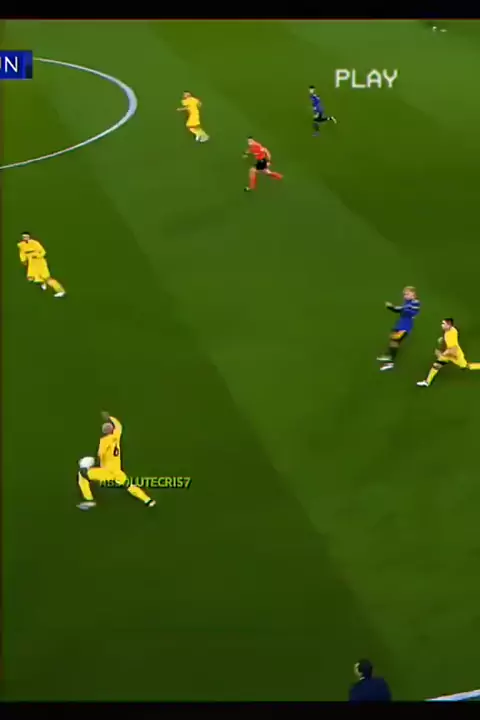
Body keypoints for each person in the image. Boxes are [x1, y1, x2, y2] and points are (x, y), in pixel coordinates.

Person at [77, 412, 156, 510]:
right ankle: (148, 500)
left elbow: (100, 454)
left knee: (82, 474)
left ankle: (89, 499)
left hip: (107, 472)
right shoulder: (116, 436)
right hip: (118, 471)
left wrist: (89, 463)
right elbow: (119, 425)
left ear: (104, 432)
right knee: (129, 486)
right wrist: (110, 417)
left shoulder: (104, 441)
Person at [417, 318, 480, 387]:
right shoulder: (449, 330)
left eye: (443, 324)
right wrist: (443, 341)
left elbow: (453, 350)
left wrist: (441, 354)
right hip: (447, 355)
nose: (441, 325)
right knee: (436, 365)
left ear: (449, 325)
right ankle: (427, 382)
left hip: (456, 356)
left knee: (466, 366)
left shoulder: (451, 335)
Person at [377, 286, 420, 371]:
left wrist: (392, 307)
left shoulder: (415, 303)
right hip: (400, 324)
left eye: (407, 294)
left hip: (405, 327)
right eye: (404, 294)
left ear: (413, 294)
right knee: (393, 340)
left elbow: (404, 310)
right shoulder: (407, 302)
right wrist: (391, 307)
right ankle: (389, 356)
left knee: (395, 340)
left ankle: (390, 363)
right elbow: (400, 310)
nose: (405, 296)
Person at [17, 232, 66, 297]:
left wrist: (37, 256)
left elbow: (43, 252)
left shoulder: (35, 243)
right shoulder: (21, 245)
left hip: (40, 263)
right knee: (31, 277)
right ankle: (43, 282)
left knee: (47, 278)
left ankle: (60, 291)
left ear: (29, 237)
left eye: (26, 236)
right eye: (23, 237)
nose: (25, 238)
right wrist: (23, 260)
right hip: (32, 263)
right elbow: (22, 253)